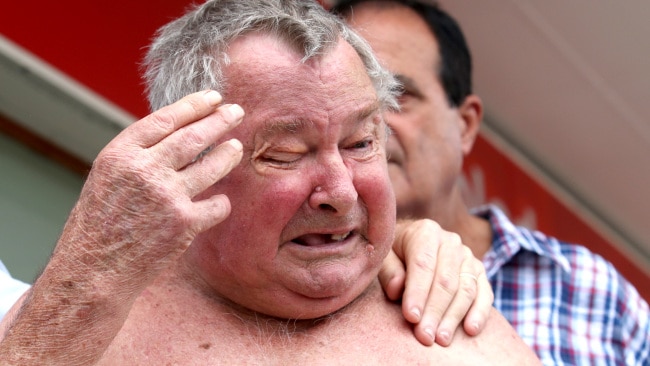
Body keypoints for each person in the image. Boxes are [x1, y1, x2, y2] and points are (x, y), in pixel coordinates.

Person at [0, 0, 541, 364]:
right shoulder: (76, 330)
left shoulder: (456, 323)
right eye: (285, 154)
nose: (342, 192)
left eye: (361, 144)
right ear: (187, 157)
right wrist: (88, 271)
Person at [331, 0, 650, 364]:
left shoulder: (590, 290)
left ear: (465, 126)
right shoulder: (291, 284)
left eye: (399, 96)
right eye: (352, 100)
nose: (373, 126)